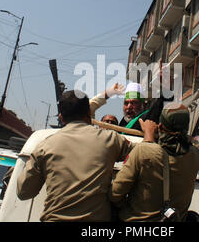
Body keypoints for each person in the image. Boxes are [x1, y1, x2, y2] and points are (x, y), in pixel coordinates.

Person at [16, 90, 135, 222]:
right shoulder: (111, 139)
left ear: (61, 117)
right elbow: (144, 153)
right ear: (89, 113)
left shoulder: (44, 147)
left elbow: (24, 192)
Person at [110, 103, 199, 222]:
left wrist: (148, 136)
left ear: (160, 126)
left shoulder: (144, 151)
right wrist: (183, 136)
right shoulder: (195, 156)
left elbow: (115, 194)